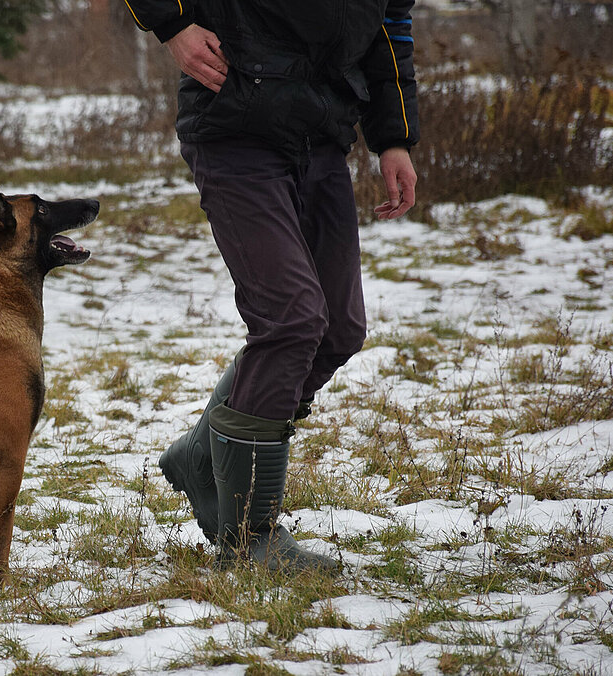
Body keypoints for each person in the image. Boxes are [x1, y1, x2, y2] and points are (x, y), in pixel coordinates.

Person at [123, 0, 420, 573]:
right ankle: (248, 536)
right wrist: (173, 24)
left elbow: (390, 30)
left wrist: (395, 138)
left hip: (322, 132)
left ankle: (202, 457)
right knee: (291, 319)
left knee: (337, 329)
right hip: (235, 124)